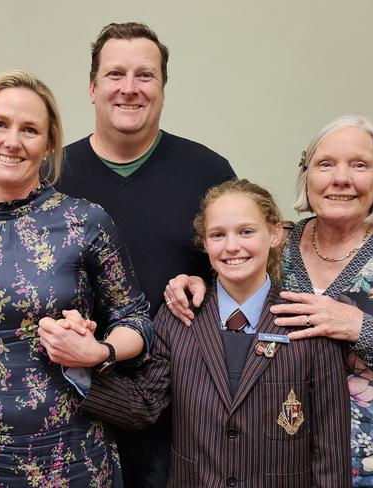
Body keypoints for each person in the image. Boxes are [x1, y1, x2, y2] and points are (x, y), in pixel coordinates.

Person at [0, 69, 152, 487]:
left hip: (71, 457)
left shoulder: (85, 221)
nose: (12, 141)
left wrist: (100, 351)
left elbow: (137, 319)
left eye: (30, 129)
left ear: (49, 143)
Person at [166, 114, 373, 486]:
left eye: (359, 165)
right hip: (280, 467)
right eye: (325, 164)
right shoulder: (278, 243)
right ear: (307, 175)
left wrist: (358, 326)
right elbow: (229, 301)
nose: (341, 178)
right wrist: (193, 282)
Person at [76, 179, 351, 487]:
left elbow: (331, 449)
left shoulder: (307, 322)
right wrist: (79, 363)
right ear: (204, 243)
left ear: (274, 234)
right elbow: (142, 404)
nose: (232, 246)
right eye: (218, 235)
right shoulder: (180, 317)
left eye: (246, 232)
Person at [54, 21, 235, 487]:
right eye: (115, 75)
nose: (129, 89)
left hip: (178, 411)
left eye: (145, 76)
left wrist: (211, 285)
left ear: (163, 89)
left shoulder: (209, 173)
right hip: (71, 405)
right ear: (93, 88)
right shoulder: (51, 177)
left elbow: (249, 275)